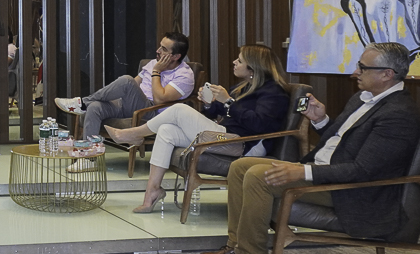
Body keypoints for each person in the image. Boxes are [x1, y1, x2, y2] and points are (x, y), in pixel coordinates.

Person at [203, 42, 420, 254]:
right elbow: (341, 143)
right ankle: (235, 247)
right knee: (240, 167)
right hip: (324, 172)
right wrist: (321, 120)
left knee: (258, 175)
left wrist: (303, 171)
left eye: (362, 67)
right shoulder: (362, 98)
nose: (355, 72)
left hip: (351, 189)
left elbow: (363, 170)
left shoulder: (398, 114)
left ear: (387, 74)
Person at [106, 44, 290, 213]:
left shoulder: (274, 93)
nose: (234, 62)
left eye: (240, 60)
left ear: (253, 68)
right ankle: (152, 192)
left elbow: (259, 124)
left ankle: (134, 135)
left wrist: (228, 102)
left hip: (242, 144)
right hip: (224, 136)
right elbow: (216, 113)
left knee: (179, 109)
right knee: (166, 130)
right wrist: (210, 103)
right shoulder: (244, 87)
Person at [56, 32, 195, 138]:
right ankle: (89, 156)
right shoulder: (153, 63)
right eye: (160, 46)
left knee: (127, 80)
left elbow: (159, 99)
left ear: (176, 56)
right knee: (95, 107)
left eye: (164, 49)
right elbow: (134, 85)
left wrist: (156, 72)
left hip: (151, 111)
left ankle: (82, 103)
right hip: (131, 105)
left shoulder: (184, 75)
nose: (158, 51)